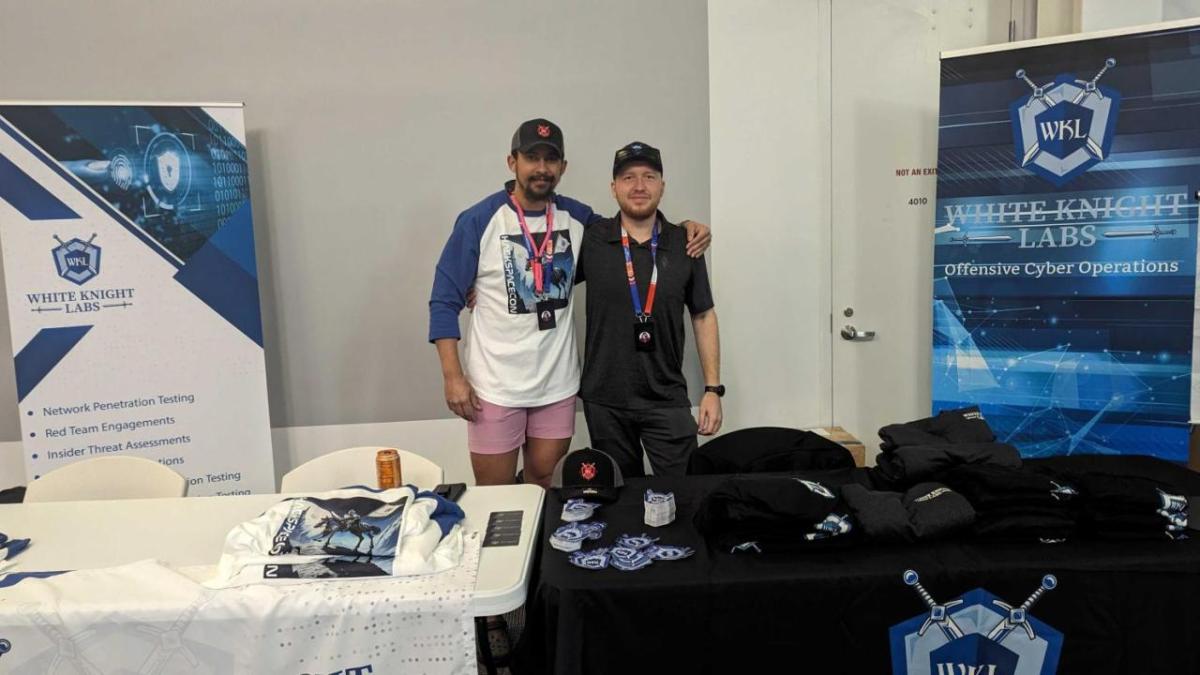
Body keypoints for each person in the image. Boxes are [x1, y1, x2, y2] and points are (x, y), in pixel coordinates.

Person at [428, 120, 710, 489]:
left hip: (556, 385)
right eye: (532, 157)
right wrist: (453, 378)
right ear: (512, 162)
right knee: (496, 495)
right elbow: (443, 301)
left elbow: (632, 231)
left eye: (551, 159)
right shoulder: (480, 220)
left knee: (545, 483)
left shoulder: (579, 220)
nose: (541, 168)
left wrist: (683, 227)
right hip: (494, 387)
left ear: (563, 167)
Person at [576, 141, 723, 478]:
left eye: (649, 177)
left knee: (685, 497)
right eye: (628, 178)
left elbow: (703, 315)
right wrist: (480, 286)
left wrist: (713, 390)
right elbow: (545, 281)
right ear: (613, 188)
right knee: (620, 501)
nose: (639, 186)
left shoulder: (686, 244)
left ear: (662, 186)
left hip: (666, 396)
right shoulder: (592, 241)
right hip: (606, 401)